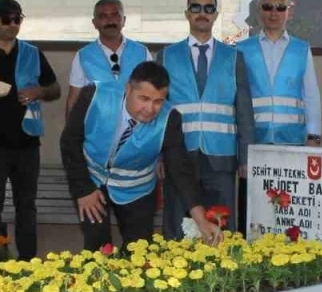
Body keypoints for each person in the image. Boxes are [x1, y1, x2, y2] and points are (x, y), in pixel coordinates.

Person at [61, 62, 222, 249]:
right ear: (128, 88)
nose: (150, 108)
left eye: (158, 101)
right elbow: (69, 142)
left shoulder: (170, 119)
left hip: (137, 190)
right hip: (91, 180)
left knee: (140, 250)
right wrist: (83, 190)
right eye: (144, 98)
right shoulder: (94, 96)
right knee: (97, 248)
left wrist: (201, 220)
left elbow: (180, 169)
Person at [0, 0, 61, 260]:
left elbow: (55, 89)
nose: (12, 24)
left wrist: (39, 91)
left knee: (26, 207)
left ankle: (27, 263)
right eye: (6, 18)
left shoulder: (33, 53)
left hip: (26, 144)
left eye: (17, 18)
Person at [157, 0, 254, 237]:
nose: (202, 13)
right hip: (178, 155)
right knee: (176, 226)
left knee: (223, 227)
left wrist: (246, 157)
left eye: (209, 8)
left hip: (221, 156)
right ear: (187, 13)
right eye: (196, 7)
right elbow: (157, 111)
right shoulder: (166, 56)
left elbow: (244, 112)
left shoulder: (234, 57)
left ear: (216, 14)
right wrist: (158, 156)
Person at [237, 0, 322, 146]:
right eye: (267, 7)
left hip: (292, 138)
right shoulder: (242, 49)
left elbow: (310, 94)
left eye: (280, 7)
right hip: (253, 138)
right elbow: (235, 95)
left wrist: (314, 134)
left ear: (289, 12)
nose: (274, 13)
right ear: (259, 10)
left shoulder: (301, 49)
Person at [66, 0, 151, 118]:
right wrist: (70, 129)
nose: (110, 21)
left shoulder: (142, 52)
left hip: (135, 127)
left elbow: (152, 93)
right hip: (96, 127)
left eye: (115, 15)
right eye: (103, 16)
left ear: (124, 20)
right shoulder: (83, 56)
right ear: (94, 23)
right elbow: (73, 100)